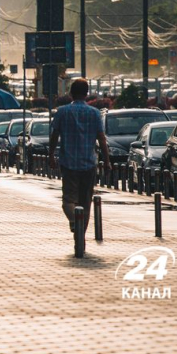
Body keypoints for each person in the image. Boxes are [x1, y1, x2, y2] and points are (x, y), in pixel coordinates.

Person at [49, 78, 111, 237]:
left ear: (71, 93)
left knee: (68, 201)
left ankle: (75, 221)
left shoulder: (62, 112)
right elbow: (101, 138)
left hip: (68, 163)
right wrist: (107, 161)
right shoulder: (95, 113)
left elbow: (54, 135)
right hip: (89, 164)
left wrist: (50, 155)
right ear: (86, 93)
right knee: (85, 202)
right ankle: (80, 234)